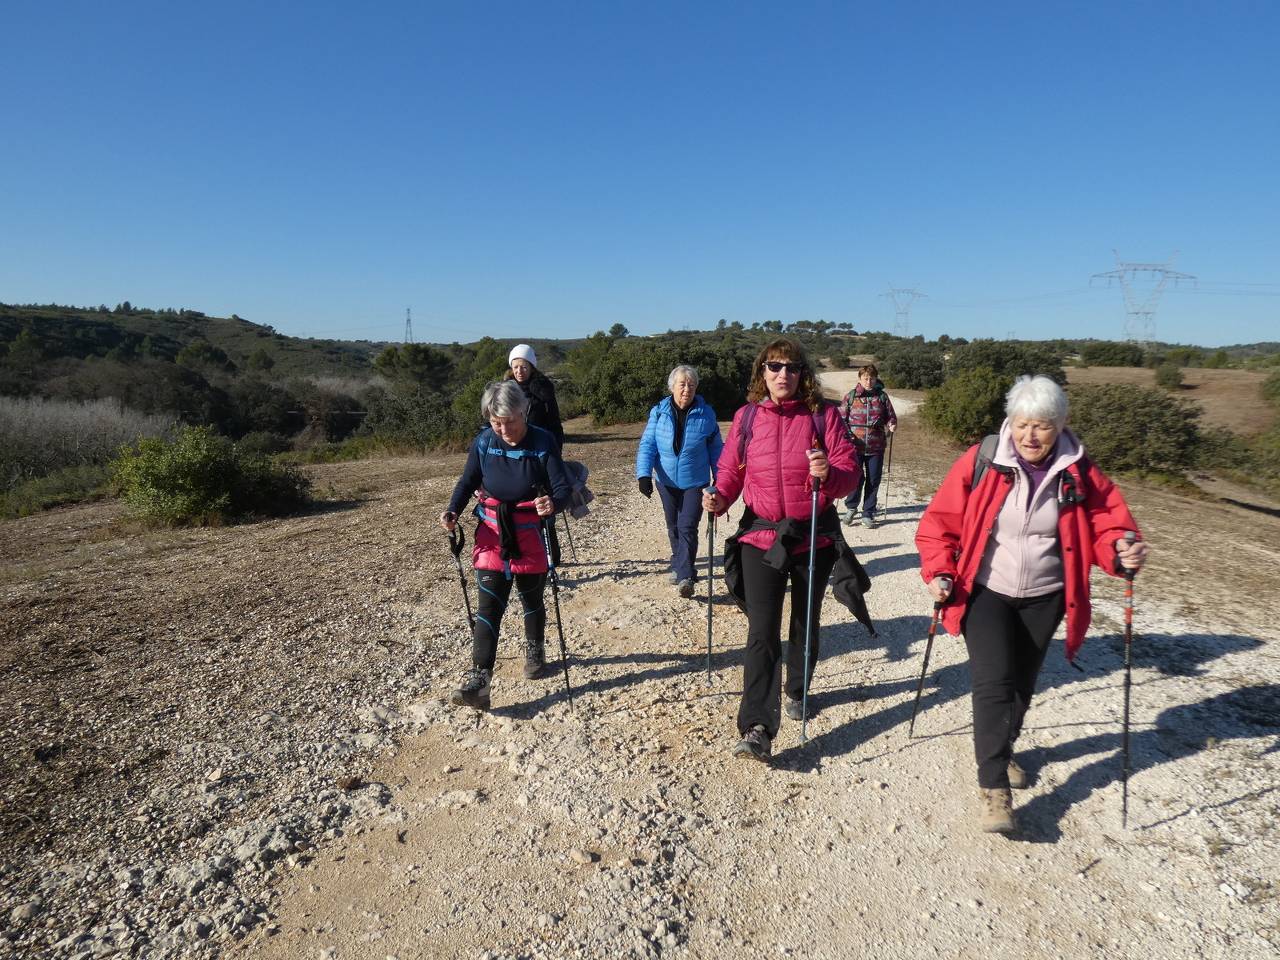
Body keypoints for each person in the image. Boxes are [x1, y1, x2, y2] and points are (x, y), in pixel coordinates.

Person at [915, 375, 1149, 834]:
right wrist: (940, 570)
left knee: (1023, 683)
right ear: (1010, 422)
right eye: (1022, 424)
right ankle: (994, 787)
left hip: (1047, 595)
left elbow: (1109, 525)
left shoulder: (1080, 471)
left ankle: (1004, 747)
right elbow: (939, 522)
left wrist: (1123, 550)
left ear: (1059, 425)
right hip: (987, 591)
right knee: (994, 682)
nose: (1030, 436)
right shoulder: (984, 461)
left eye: (1041, 426)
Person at [703, 338, 859, 762]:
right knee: (761, 629)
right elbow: (731, 470)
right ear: (762, 372)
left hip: (814, 535)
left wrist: (829, 474)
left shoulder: (823, 415)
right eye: (774, 367)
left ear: (802, 373)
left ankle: (796, 689)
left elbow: (850, 472)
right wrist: (719, 497)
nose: (782, 374)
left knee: (805, 623)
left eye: (790, 367)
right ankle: (756, 726)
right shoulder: (748, 417)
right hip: (761, 535)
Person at [440, 380, 572, 710]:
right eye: (496, 423)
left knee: (531, 599)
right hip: (492, 532)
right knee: (488, 609)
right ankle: (479, 682)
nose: (503, 429)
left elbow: (562, 489)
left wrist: (551, 504)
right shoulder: (485, 442)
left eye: (509, 421)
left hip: (529, 533)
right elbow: (468, 479)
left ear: (524, 412)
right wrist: (453, 508)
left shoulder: (543, 442)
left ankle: (535, 650)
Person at [635, 365, 725, 598]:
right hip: (665, 481)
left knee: (687, 526)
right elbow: (648, 445)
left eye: (692, 385)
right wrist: (643, 475)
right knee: (673, 526)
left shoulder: (707, 414)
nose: (687, 389)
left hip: (695, 482)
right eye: (682, 384)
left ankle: (686, 575)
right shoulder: (658, 412)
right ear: (672, 386)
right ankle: (680, 564)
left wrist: (721, 479)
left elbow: (716, 449)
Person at [840, 363, 896, 528]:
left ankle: (868, 512)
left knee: (874, 479)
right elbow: (841, 419)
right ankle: (851, 508)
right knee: (855, 478)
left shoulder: (882, 397)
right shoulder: (850, 396)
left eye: (872, 378)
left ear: (876, 378)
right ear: (860, 378)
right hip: (854, 446)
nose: (869, 381)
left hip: (876, 446)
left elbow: (891, 416)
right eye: (865, 378)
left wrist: (892, 424)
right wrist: (847, 436)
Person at [505, 344, 565, 451]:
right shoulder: (505, 390)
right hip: (511, 448)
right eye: (515, 367)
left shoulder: (544, 390)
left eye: (524, 367)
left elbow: (554, 422)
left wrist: (556, 450)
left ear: (531, 368)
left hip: (538, 447)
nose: (519, 371)